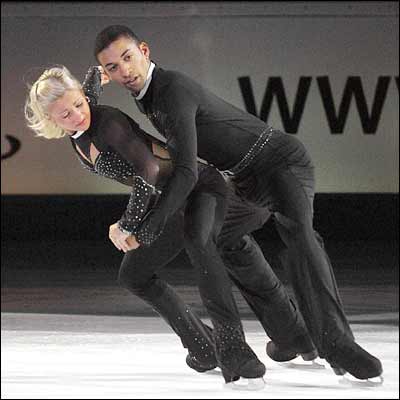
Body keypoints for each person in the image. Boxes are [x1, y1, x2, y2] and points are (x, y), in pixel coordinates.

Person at [90, 25, 383, 381]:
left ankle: (337, 344)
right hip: (245, 179)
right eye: (113, 67)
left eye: (128, 57)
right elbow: (77, 113)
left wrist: (147, 227)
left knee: (300, 236)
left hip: (280, 162)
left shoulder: (171, 90)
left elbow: (186, 172)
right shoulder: (148, 94)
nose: (124, 70)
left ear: (145, 51)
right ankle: (291, 333)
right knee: (220, 238)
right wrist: (90, 88)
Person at [24, 65, 317, 389]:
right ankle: (271, 339)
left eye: (79, 104)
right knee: (186, 259)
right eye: (66, 114)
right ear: (50, 119)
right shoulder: (82, 121)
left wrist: (127, 225)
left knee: (207, 249)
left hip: (198, 187)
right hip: (176, 198)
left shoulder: (108, 124)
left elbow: (148, 171)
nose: (79, 115)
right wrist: (95, 76)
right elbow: (88, 94)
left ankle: (233, 351)